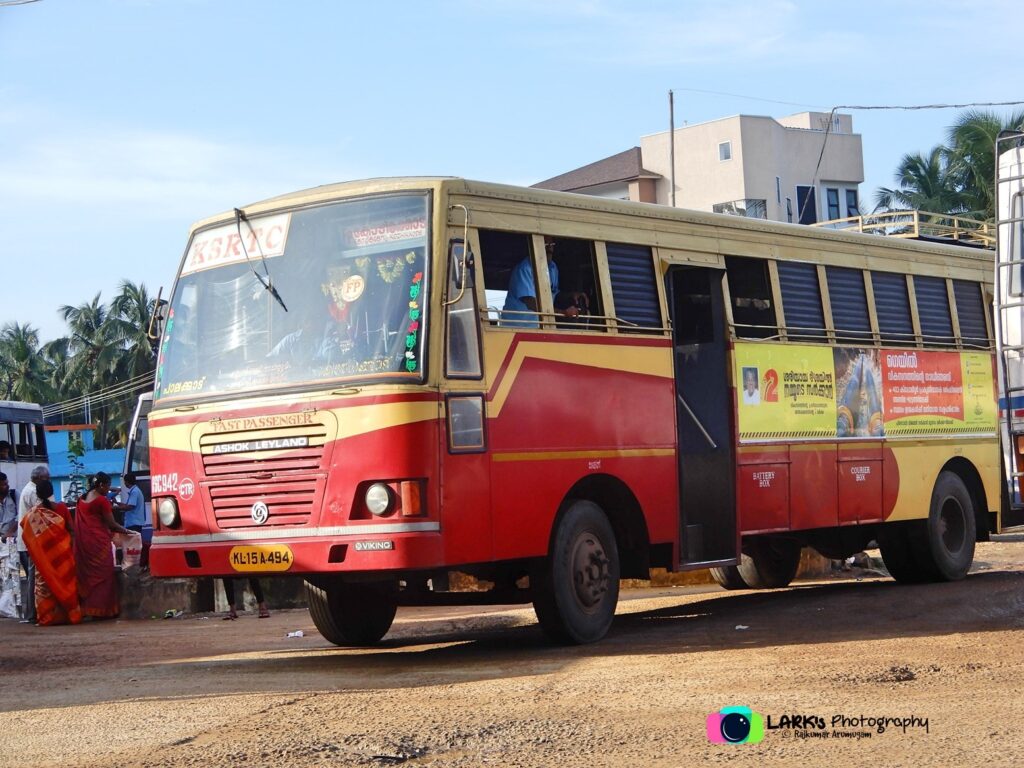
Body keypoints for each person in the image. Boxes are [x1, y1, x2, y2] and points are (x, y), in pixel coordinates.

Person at [21, 479, 80, 626]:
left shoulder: (32, 515)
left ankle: (46, 618)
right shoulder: (61, 508)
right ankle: (70, 615)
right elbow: (72, 530)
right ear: (52, 492)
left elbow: (28, 535)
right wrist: (68, 548)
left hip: (44, 560)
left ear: (38, 494)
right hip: (63, 555)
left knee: (44, 586)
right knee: (65, 584)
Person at [74, 472, 130, 619]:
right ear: (101, 485)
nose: (109, 489)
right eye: (108, 486)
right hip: (99, 543)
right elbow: (111, 523)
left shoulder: (81, 499)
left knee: (88, 576)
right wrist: (127, 531)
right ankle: (103, 610)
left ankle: (88, 609)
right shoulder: (101, 501)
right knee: (104, 575)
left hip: (84, 544)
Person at [501, 238, 588, 328]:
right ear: (535, 246)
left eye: (552, 244)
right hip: (515, 328)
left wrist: (571, 295)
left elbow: (554, 294)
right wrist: (562, 312)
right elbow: (531, 303)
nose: (549, 248)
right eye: (546, 244)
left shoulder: (553, 267)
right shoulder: (524, 268)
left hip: (538, 327)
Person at [17, 465, 48, 623]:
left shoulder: (30, 489)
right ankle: (32, 613)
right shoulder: (33, 492)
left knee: (34, 578)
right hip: (31, 542)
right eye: (46, 479)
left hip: (29, 541)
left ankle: (33, 613)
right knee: (33, 579)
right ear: (38, 479)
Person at [114, 473, 149, 569]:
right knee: (134, 545)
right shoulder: (136, 491)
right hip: (135, 522)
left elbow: (130, 506)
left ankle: (134, 565)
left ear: (126, 482)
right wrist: (118, 504)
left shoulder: (134, 492)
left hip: (134, 522)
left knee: (133, 546)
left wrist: (116, 508)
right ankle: (136, 564)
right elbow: (129, 505)